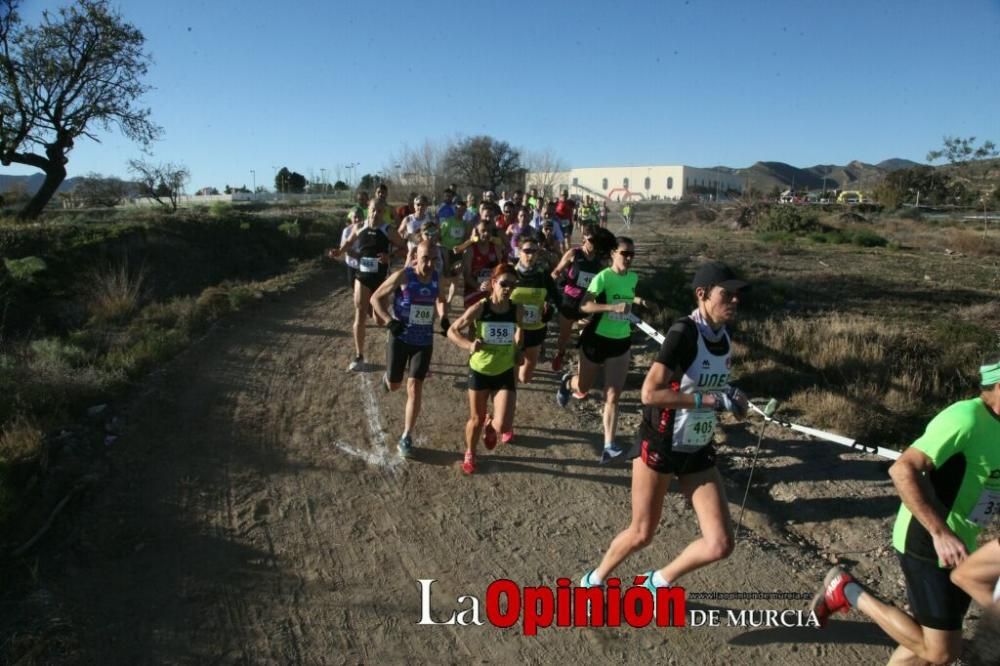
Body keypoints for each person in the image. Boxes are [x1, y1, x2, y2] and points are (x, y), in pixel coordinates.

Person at [579, 262, 750, 604]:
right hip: (661, 442)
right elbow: (650, 393)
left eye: (737, 295)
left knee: (720, 544)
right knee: (642, 532)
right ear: (702, 295)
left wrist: (733, 395)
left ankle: (657, 581)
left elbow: (707, 381)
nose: (734, 301)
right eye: (726, 294)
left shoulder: (724, 336)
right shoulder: (683, 333)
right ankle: (593, 580)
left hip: (697, 447)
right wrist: (712, 399)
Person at [811, 355, 1000, 666]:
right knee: (942, 651)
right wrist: (939, 532)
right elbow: (902, 470)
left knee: (925, 647)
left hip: (963, 542)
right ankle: (848, 591)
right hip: (927, 539)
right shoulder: (965, 418)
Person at [556, 236, 655, 461]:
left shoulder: (633, 277)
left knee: (613, 396)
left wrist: (639, 302)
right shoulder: (603, 277)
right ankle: (567, 382)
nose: (629, 258)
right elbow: (585, 304)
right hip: (596, 340)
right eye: (624, 253)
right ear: (613, 253)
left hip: (620, 341)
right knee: (583, 386)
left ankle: (609, 444)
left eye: (632, 254)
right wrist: (612, 306)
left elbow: (626, 295)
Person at [371, 240, 449, 457]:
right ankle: (388, 379)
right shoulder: (404, 276)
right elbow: (375, 297)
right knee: (396, 385)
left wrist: (443, 317)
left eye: (434, 259)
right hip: (400, 337)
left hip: (423, 341)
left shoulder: (436, 278)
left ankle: (406, 436)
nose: (429, 263)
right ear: (416, 256)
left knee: (414, 386)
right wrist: (388, 321)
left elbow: (441, 300)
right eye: (425, 258)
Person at [447, 264, 522, 474]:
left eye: (512, 285)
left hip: (504, 371)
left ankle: (491, 425)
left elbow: (520, 331)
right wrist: (469, 345)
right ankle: (470, 452)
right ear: (493, 283)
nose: (508, 288)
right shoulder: (481, 307)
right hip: (480, 370)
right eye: (504, 284)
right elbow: (453, 330)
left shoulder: (516, 309)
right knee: (476, 419)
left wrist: (518, 349)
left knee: (504, 427)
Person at [336, 200, 405, 371]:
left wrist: (390, 256)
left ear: (383, 213)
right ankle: (359, 355)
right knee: (359, 313)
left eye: (380, 211)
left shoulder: (388, 230)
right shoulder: (359, 226)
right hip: (362, 277)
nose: (376, 214)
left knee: (380, 320)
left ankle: (384, 316)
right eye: (373, 210)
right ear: (368, 209)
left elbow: (404, 248)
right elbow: (349, 242)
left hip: (380, 281)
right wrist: (339, 251)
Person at [548, 224, 612, 372]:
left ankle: (582, 367)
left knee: (586, 338)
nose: (592, 244)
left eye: (596, 241)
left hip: (587, 304)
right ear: (584, 238)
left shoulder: (600, 260)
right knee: (564, 336)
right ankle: (560, 353)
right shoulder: (573, 254)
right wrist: (548, 288)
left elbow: (604, 282)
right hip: (569, 302)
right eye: (590, 240)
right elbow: (556, 271)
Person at [510, 236, 559, 389]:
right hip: (512, 330)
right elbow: (495, 297)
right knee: (510, 377)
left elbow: (556, 297)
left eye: (534, 251)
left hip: (536, 330)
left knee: (525, 378)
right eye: (527, 251)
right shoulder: (510, 274)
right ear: (519, 252)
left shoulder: (543, 275)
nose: (530, 255)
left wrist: (550, 308)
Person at [461, 215, 503, 307]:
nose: (486, 234)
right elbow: (466, 276)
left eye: (489, 231)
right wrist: (479, 287)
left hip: (491, 290)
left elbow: (500, 272)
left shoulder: (495, 248)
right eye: (483, 231)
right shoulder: (470, 250)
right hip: (473, 290)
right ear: (476, 232)